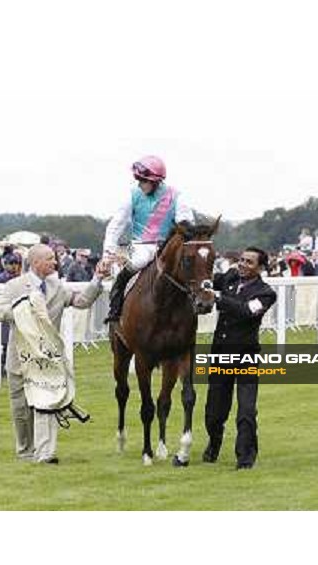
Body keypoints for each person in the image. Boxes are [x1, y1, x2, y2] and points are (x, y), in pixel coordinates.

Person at [0, 244, 106, 464]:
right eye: (50, 259)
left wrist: (97, 280)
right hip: (20, 358)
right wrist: (21, 310)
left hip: (48, 360)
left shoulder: (57, 287)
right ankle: (25, 450)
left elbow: (81, 302)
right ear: (36, 263)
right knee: (22, 408)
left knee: (47, 403)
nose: (55, 262)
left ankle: (45, 453)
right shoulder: (15, 286)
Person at [202, 247, 277, 469]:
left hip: (246, 357)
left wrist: (217, 297)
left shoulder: (266, 293)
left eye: (249, 262)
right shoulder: (230, 278)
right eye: (242, 260)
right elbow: (205, 279)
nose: (243, 265)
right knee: (214, 410)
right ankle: (214, 444)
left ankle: (245, 458)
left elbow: (246, 311)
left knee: (246, 410)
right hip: (221, 354)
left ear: (261, 267)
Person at [102, 155, 194, 322]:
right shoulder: (133, 195)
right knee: (136, 263)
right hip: (141, 246)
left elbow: (186, 224)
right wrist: (108, 254)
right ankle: (115, 310)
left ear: (156, 181)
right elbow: (116, 225)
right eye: (138, 179)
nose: (139, 183)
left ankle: (195, 305)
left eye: (143, 180)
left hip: (167, 247)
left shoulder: (177, 196)